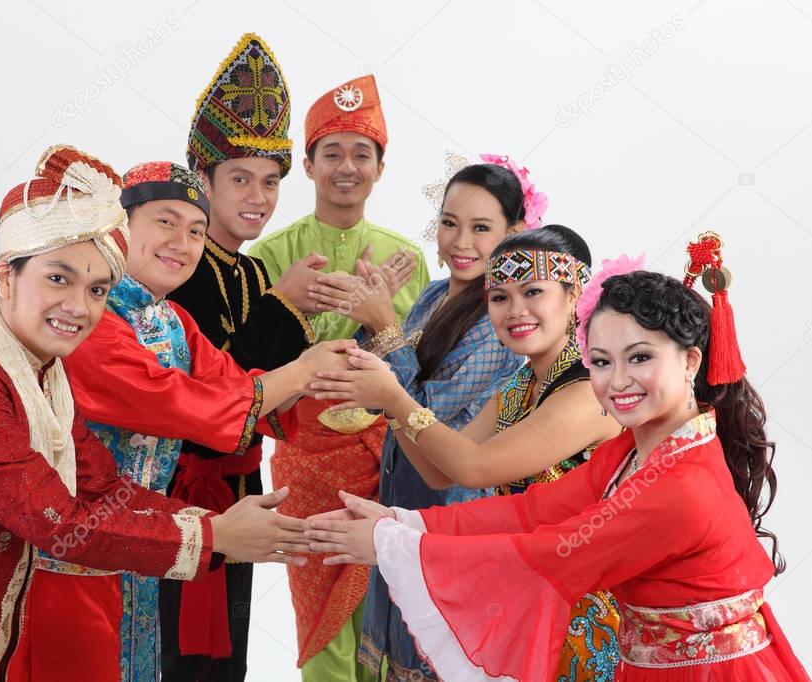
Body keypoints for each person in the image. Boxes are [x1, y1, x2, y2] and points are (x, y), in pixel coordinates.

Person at [0, 145, 311, 681]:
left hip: (6, 602)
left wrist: (213, 523)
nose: (78, 307)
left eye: (96, 289)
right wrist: (217, 536)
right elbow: (57, 519)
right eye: (58, 279)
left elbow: (97, 485)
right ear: (5, 276)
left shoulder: (43, 372)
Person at [306, 233, 809, 680]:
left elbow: (550, 553)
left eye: (640, 358)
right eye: (601, 362)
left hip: (703, 670)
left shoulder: (681, 486)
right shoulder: (630, 451)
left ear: (691, 361)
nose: (616, 382)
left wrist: (395, 543)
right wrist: (406, 522)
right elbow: (529, 511)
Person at [10, 159, 351, 682]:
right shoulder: (91, 318)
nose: (183, 243)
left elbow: (233, 383)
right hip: (70, 554)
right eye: (165, 222)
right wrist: (302, 370)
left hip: (142, 548)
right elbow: (177, 402)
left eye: (195, 230)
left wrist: (341, 386)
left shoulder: (172, 319)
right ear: (119, 228)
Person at [311, 224, 624, 678]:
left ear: (574, 294)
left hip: (582, 606)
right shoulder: (518, 386)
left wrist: (396, 395)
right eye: (499, 297)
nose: (515, 310)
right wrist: (391, 404)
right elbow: (442, 473)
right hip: (529, 590)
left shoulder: (588, 390)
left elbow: (474, 468)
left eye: (533, 291)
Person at [247, 73, 430, 679]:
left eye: (361, 153)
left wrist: (381, 320)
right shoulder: (272, 254)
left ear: (381, 166)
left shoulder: (409, 256)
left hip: (387, 458)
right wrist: (296, 305)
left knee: (388, 607)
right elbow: (247, 368)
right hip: (305, 458)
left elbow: (422, 373)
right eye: (332, 153)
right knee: (319, 612)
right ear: (307, 164)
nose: (346, 167)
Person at [333, 157, 536, 681]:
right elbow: (380, 391)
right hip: (402, 492)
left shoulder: (498, 325)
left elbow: (429, 415)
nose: (460, 241)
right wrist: (367, 319)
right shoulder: (430, 295)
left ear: (515, 234)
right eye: (449, 222)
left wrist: (384, 324)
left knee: (434, 651)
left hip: (450, 505)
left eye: (481, 228)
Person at [162, 33, 319, 681]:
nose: (257, 196)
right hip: (174, 490)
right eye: (238, 179)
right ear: (201, 177)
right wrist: (285, 307)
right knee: (171, 652)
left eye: (270, 181)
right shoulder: (173, 268)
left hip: (242, 482)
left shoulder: (253, 274)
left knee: (228, 654)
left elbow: (278, 397)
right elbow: (214, 387)